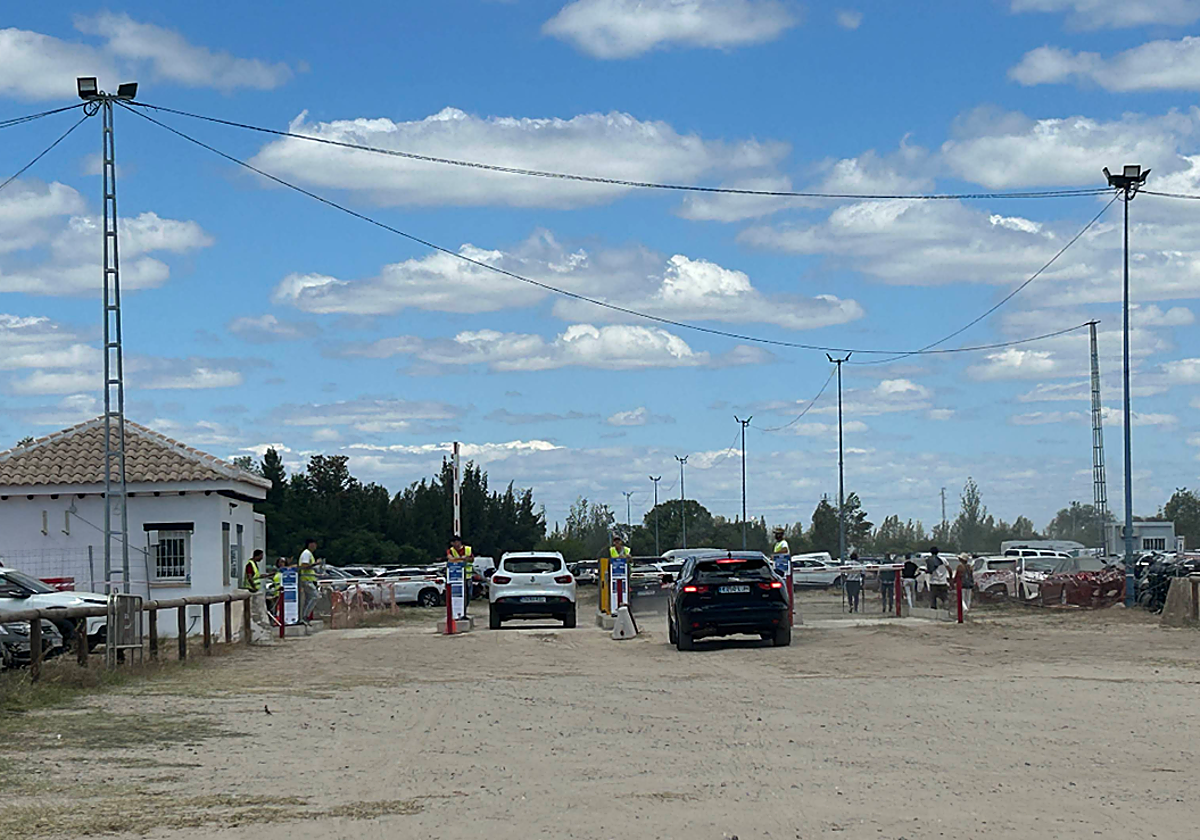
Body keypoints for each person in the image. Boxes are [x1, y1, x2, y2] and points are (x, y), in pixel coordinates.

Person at [448, 535, 474, 607]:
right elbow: (450, 559)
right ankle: (459, 609)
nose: (453, 544)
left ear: (458, 542)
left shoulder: (468, 549)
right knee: (458, 594)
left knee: (468, 594)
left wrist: (463, 559)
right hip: (457, 577)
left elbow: (472, 559)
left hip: (467, 576)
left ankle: (465, 608)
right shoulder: (451, 550)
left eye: (454, 542)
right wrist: (462, 559)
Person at [298, 539, 319, 622]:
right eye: (314, 544)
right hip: (306, 579)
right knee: (315, 596)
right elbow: (304, 566)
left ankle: (304, 616)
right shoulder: (306, 554)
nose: (315, 547)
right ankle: (305, 615)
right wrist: (315, 564)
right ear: (310, 544)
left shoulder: (309, 554)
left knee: (308, 598)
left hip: (309, 579)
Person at [928, 546, 950, 610]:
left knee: (933, 598)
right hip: (943, 582)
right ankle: (946, 609)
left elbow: (930, 571)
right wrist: (950, 578)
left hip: (933, 582)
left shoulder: (930, 560)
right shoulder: (944, 560)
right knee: (945, 597)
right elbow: (949, 569)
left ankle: (934, 611)